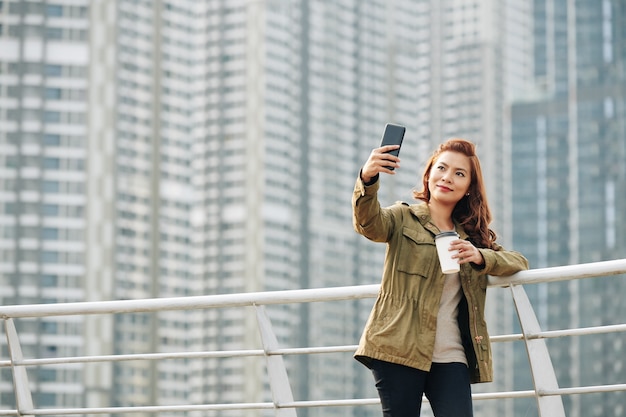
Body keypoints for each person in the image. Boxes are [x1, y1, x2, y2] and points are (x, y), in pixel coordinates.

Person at [352, 137, 529, 417]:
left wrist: (481, 256)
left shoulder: (470, 237)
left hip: (452, 355)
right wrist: (368, 177)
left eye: (459, 174)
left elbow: (519, 262)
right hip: (398, 346)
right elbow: (369, 224)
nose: (447, 178)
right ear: (429, 174)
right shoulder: (403, 217)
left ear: (469, 188)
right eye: (442, 168)